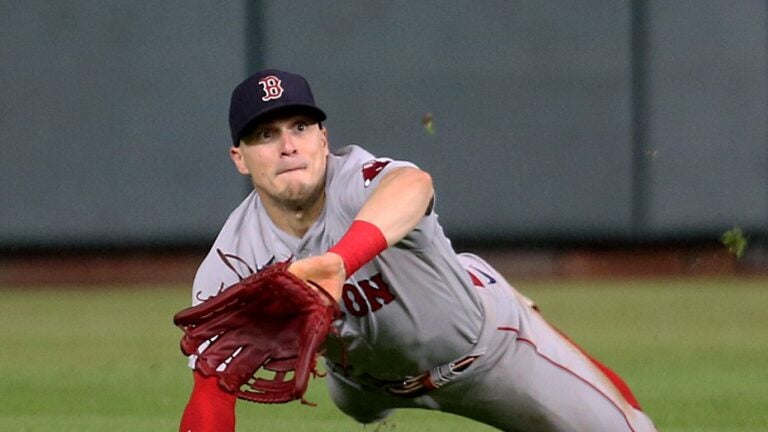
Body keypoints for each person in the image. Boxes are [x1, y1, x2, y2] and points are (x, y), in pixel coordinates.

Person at [179, 69, 657, 432]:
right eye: (265, 134)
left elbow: (413, 185)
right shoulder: (233, 262)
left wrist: (338, 262)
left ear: (323, 138)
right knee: (356, 397)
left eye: (300, 126)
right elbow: (211, 391)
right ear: (239, 158)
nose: (288, 146)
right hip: (360, 387)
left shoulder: (356, 180)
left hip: (485, 353)